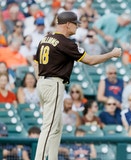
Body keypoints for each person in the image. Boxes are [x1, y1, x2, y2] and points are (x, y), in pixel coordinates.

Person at [33, 11, 121, 160]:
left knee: (56, 127)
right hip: (54, 84)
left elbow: (36, 62)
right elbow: (91, 60)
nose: (77, 27)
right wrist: (111, 54)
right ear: (68, 24)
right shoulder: (66, 42)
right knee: (49, 127)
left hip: (43, 83)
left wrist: (41, 80)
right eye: (75, 24)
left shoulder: (45, 39)